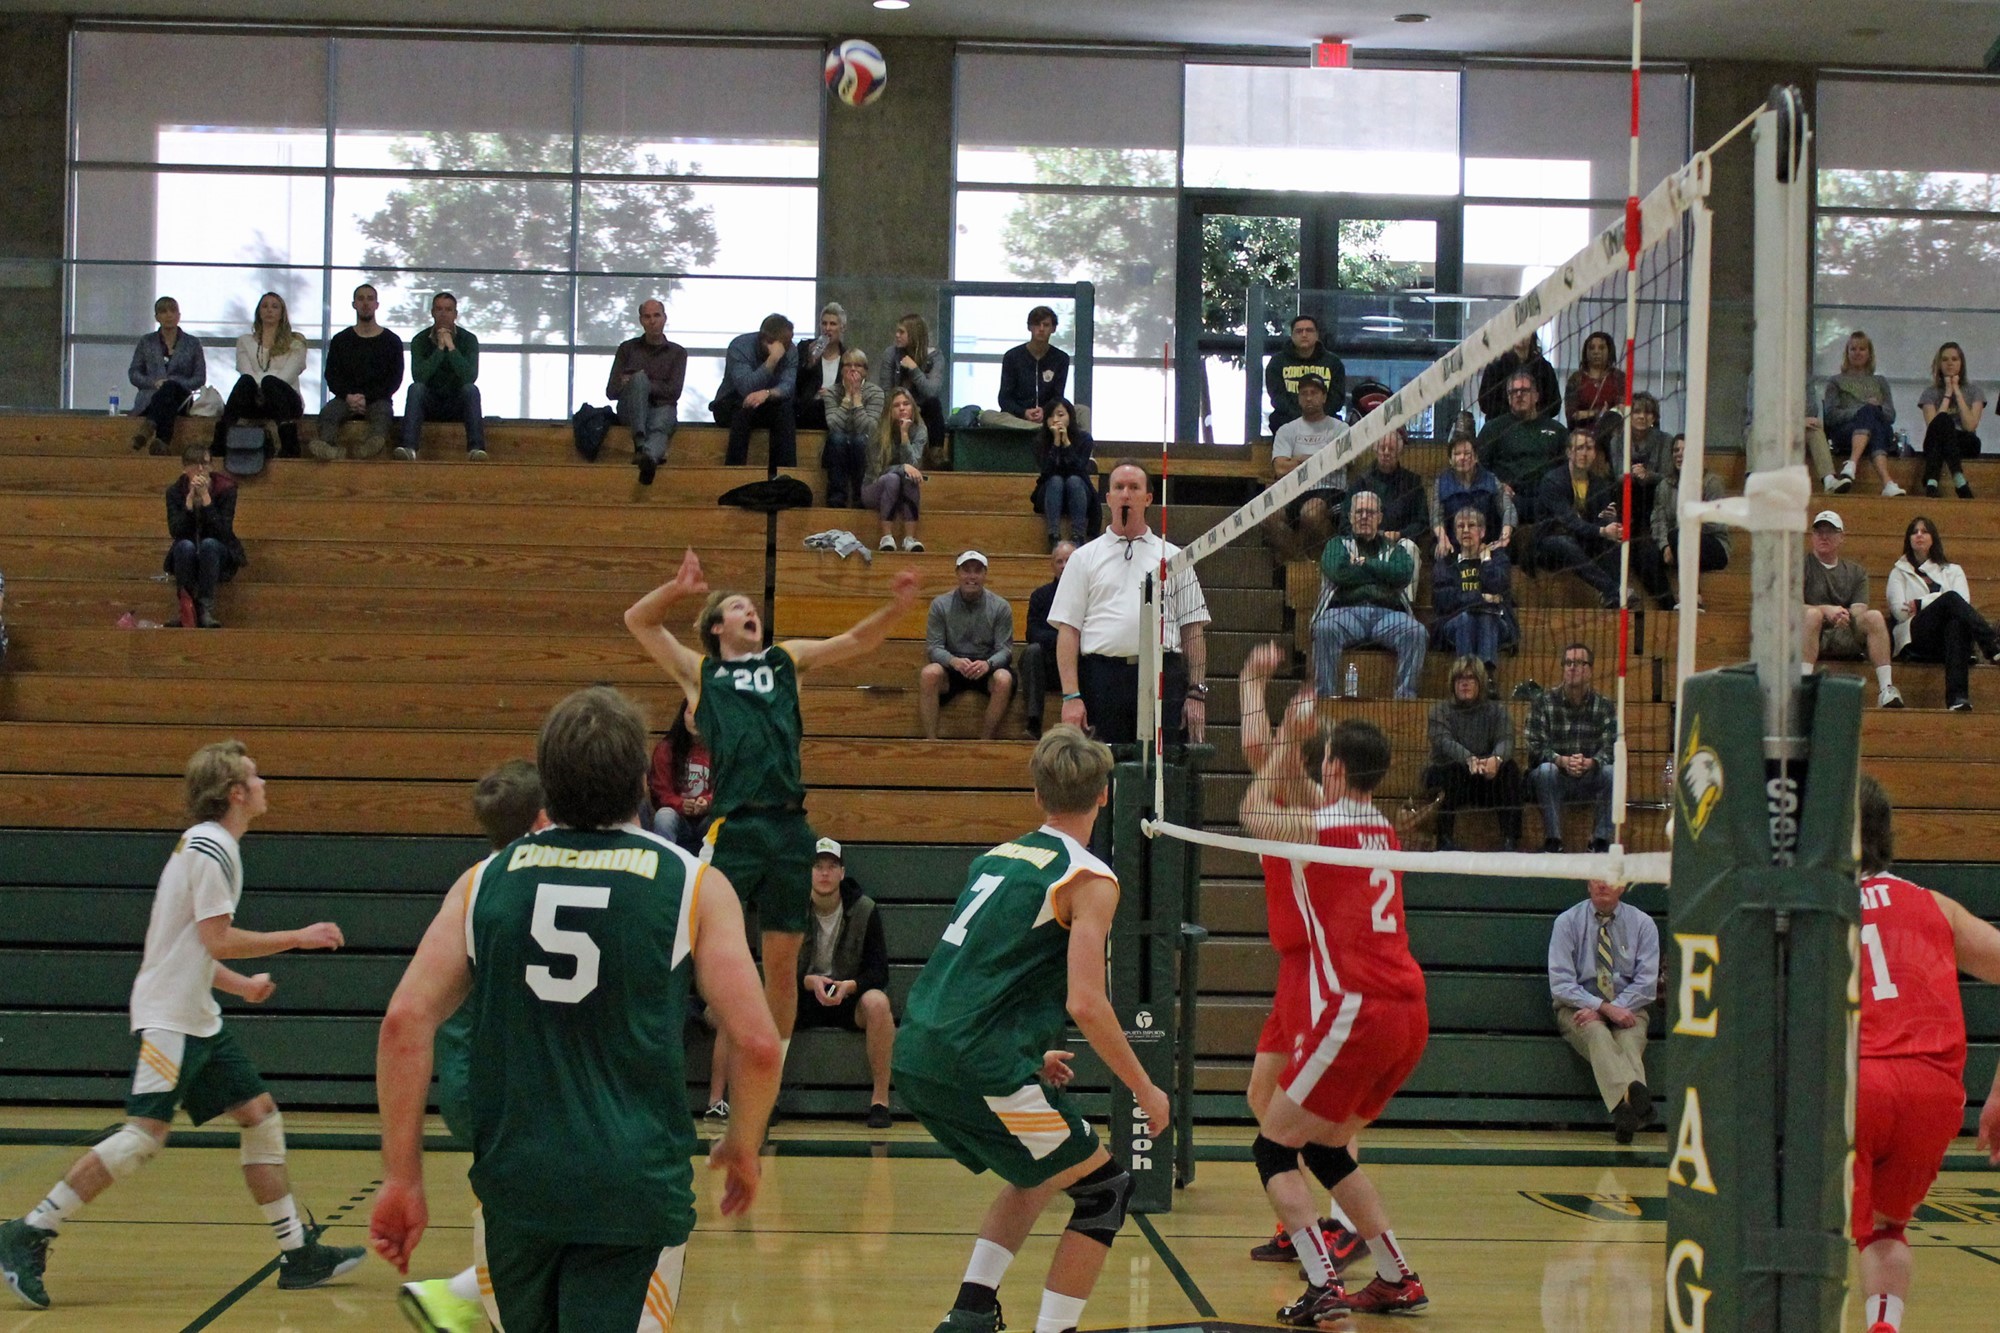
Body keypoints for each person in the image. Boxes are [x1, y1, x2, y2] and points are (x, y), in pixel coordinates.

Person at [368, 687, 783, 1333]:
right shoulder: (694, 883)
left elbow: (403, 1024)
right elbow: (757, 1043)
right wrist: (744, 1142)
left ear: (546, 784)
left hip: (518, 1185)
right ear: (642, 779)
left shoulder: (483, 880)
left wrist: (402, 1178)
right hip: (634, 1185)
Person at [0, 742, 359, 1312]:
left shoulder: (208, 847)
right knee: (143, 1137)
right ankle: (29, 1230)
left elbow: (189, 948)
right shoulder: (213, 848)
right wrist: (299, 936)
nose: (264, 782)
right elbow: (217, 938)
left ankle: (297, 1254)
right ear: (235, 792)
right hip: (170, 1020)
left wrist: (240, 987)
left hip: (197, 1017)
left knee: (260, 1117)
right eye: (254, 775)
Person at [893, 725, 1168, 1333]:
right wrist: (1146, 1089)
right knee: (1105, 1190)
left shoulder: (996, 859)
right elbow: (1087, 1003)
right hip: (976, 1061)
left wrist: (1029, 1050)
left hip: (917, 1049)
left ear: (1038, 794)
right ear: (1105, 795)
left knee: (1038, 1170)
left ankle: (969, 1315)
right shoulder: (1089, 878)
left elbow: (986, 971)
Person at [623, 549, 919, 1092]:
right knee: (699, 951)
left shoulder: (785, 660)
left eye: (751, 606)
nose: (749, 611)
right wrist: (678, 586)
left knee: (781, 968)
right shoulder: (701, 673)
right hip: (734, 828)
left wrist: (896, 609)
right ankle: (652, 1055)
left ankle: (767, 1082)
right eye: (738, 607)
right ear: (717, 626)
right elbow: (638, 620)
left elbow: (855, 642)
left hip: (789, 830)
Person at [1235, 696, 1431, 1323]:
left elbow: (1253, 811)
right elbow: (1300, 802)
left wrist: (1287, 745)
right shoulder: (1380, 828)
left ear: (1338, 771)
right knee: (1326, 1151)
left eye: (1325, 766)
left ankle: (1322, 1286)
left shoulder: (1326, 829)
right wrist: (1294, 743)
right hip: (1410, 1012)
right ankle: (1397, 1278)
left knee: (1273, 1150)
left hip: (1358, 1010)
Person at [395, 759, 547, 1333]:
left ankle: (459, 1294)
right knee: (531, 1213)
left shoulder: (478, 879)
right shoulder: (511, 888)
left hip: (470, 1078)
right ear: (541, 819)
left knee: (526, 1208)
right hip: (495, 1080)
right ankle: (460, 1298)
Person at [1852, 775, 2000, 1333]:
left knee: (1792, 1219)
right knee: (1886, 1228)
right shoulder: (1935, 904)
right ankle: (1883, 1325)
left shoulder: (1816, 908)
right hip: (1936, 1094)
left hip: (1857, 1083)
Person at [1049, 461, 1211, 746]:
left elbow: (1193, 630)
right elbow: (1068, 630)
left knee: (1163, 774)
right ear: (1108, 498)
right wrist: (1071, 696)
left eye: (1134, 487)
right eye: (1119, 488)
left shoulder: (1174, 558)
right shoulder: (1083, 558)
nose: (1126, 494)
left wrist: (1196, 692)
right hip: (1102, 680)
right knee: (1103, 774)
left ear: (1148, 498)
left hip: (1163, 678)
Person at [796, 837, 897, 1129]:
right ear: (809, 871)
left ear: (842, 872)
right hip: (803, 994)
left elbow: (880, 972)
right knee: (772, 1000)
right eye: (818, 866)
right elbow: (778, 971)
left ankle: (880, 1101)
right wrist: (810, 981)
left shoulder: (865, 909)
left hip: (848, 996)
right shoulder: (792, 907)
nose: (824, 873)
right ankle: (769, 1100)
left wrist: (849, 986)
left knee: (878, 1002)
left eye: (831, 866)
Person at [1548, 879, 1659, 1143]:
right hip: (1578, 1009)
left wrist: (1614, 1009)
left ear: (1622, 887)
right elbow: (1561, 985)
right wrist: (1601, 1008)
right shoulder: (1567, 922)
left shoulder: (1643, 924)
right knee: (1597, 1034)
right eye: (1596, 879)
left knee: (1629, 1040)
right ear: (1588, 885)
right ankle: (1635, 1101)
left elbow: (1646, 985)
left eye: (1610, 880)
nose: (1602, 885)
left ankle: (1624, 1112)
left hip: (1629, 1007)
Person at [1535, 427, 1673, 610]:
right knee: (1565, 543)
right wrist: (1601, 530)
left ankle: (1613, 599)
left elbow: (1602, 517)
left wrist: (1611, 526)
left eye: (1589, 448)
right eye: (1580, 448)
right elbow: (1568, 520)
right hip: (1549, 545)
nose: (1585, 453)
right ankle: (1614, 590)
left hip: (1583, 539)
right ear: (1569, 452)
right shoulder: (1552, 481)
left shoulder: (1599, 484)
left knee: (1613, 541)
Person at [1311, 490, 1425, 701]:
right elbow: (1338, 572)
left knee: (1416, 632)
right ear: (1351, 516)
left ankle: (1405, 700)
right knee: (1324, 628)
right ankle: (1325, 700)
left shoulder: (1396, 548)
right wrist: (1381, 573)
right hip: (1345, 613)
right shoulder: (1337, 545)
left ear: (1380, 518)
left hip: (1387, 615)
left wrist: (1365, 564)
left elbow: (1401, 575)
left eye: (1370, 512)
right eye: (1360, 512)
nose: (1364, 517)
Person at [1887, 515, 2000, 714]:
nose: (1919, 535)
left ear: (1933, 539)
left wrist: (1921, 603)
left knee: (1956, 624)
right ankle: (1992, 645)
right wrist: (1937, 602)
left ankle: (1957, 698)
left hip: (1947, 639)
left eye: (1924, 531)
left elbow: (1963, 604)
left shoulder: (1953, 570)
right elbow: (1900, 611)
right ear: (1908, 539)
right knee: (1949, 599)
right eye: (1914, 532)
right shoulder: (1899, 572)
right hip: (1915, 634)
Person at [1803, 510, 1904, 709]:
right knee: (1811, 614)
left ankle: (1886, 688)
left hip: (1844, 632)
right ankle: (1802, 685)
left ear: (1842, 537)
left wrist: (1843, 615)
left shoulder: (1857, 572)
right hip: (1810, 633)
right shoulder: (1799, 566)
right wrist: (1826, 610)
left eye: (1830, 532)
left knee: (1874, 616)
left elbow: (1859, 609)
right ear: (1812, 536)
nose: (1824, 536)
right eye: (1819, 531)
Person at [1422, 657, 1524, 852]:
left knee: (1510, 770)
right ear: (1453, 683)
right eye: (1459, 678)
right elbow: (1444, 742)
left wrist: (1496, 759)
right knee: (1445, 772)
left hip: (1487, 777)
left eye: (1471, 678)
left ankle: (1510, 840)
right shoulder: (1440, 711)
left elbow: (1507, 739)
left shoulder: (1496, 711)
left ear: (1481, 683)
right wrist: (1469, 759)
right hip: (1454, 777)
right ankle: (1444, 839)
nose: (1465, 682)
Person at [1525, 642, 1617, 853]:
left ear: (1590, 670)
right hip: (1557, 777)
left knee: (1613, 773)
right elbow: (1534, 745)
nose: (1572, 667)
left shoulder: (1604, 706)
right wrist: (1561, 760)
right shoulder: (1543, 702)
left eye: (1578, 663)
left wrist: (1591, 762)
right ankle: (1553, 840)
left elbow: (1611, 746)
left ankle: (1600, 841)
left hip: (1589, 776)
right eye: (1568, 663)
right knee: (1545, 771)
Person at [922, 551, 1015, 741]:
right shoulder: (940, 605)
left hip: (986, 666)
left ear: (985, 575)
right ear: (957, 573)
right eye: (966, 571)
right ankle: (931, 740)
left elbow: (1005, 649)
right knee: (929, 674)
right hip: (952, 666)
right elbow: (934, 647)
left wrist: (988, 664)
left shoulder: (1000, 606)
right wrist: (953, 661)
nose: (971, 577)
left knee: (1004, 679)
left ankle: (985, 741)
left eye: (977, 571)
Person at [1261, 373, 1348, 560]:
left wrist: (1300, 460)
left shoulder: (1340, 429)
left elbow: (1341, 461)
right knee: (1269, 516)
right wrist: (1320, 458)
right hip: (1294, 491)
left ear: (1324, 397)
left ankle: (1329, 560)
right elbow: (1280, 468)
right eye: (1304, 393)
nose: (1309, 397)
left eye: (1314, 392)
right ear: (1299, 398)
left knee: (1311, 511)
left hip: (1330, 490)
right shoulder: (1287, 430)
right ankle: (1302, 564)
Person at [312, 283, 403, 461]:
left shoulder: (391, 341)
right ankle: (327, 447)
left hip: (378, 399)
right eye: (361, 299)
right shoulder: (341, 340)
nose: (365, 303)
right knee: (329, 412)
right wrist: (348, 396)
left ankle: (371, 447)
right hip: (344, 398)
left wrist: (367, 397)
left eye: (370, 299)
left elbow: (394, 379)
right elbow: (331, 375)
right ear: (354, 304)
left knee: (383, 414)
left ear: (377, 304)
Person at [213, 291, 307, 460]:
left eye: (274, 306)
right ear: (258, 312)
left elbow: (286, 376)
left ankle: (290, 445)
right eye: (265, 306)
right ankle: (219, 442)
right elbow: (245, 371)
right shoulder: (244, 341)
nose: (269, 310)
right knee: (246, 382)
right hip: (254, 399)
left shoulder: (296, 344)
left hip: (285, 401)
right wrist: (261, 382)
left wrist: (264, 380)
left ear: (282, 313)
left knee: (270, 382)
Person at [165, 442, 246, 630]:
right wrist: (188, 504)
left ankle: (205, 608)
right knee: (185, 546)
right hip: (188, 554)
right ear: (185, 468)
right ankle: (186, 607)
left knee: (210, 544)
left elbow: (224, 532)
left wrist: (207, 502)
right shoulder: (175, 491)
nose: (201, 469)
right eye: (195, 464)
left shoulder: (226, 489)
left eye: (206, 464)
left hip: (219, 553)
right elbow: (175, 531)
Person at [606, 298, 687, 485]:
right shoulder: (627, 348)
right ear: (641, 320)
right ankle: (640, 443)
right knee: (640, 380)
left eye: (656, 315)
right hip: (631, 410)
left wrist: (641, 382)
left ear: (664, 318)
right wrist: (637, 384)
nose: (652, 321)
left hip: (660, 408)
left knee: (660, 426)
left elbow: (674, 392)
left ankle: (648, 459)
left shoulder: (678, 353)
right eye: (647, 316)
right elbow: (611, 391)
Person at [397, 292, 485, 462]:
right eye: (439, 309)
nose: (443, 314)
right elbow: (419, 377)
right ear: (432, 312)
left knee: (471, 390)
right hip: (430, 402)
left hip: (457, 403)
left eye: (448, 309)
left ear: (455, 314)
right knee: (415, 389)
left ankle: (476, 449)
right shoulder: (420, 340)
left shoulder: (469, 340)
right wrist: (439, 349)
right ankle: (408, 448)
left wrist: (451, 348)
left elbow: (469, 376)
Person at [1477, 369, 1569, 527]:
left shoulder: (1557, 430)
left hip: (1547, 498)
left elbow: (1567, 468)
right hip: (1509, 498)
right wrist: (1498, 485)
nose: (1519, 395)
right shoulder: (1493, 429)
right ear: (1508, 398)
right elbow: (1479, 468)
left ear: (1536, 396)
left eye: (1525, 390)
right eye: (1514, 391)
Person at [1432, 509, 1516, 677]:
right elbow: (1443, 600)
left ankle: (1481, 678)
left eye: (1471, 526)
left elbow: (1498, 585)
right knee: (1467, 618)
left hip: (1496, 624)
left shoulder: (1498, 559)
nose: (1465, 530)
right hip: (1455, 624)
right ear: (1455, 533)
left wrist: (1486, 560)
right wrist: (1480, 598)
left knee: (1486, 615)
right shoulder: (1446, 564)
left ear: (1482, 531)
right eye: (1460, 526)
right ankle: (1470, 676)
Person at [1824, 329, 1905, 497]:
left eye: (1862, 349)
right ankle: (1887, 482)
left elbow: (1891, 415)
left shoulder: (1880, 381)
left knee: (1873, 419)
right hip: (1846, 431)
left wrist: (1877, 408)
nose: (1857, 353)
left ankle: (1851, 466)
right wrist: (1860, 411)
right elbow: (1830, 415)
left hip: (1878, 429)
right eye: (1853, 349)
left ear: (1869, 353)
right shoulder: (1835, 381)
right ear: (1847, 353)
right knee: (1868, 413)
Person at [128, 296, 206, 455]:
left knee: (170, 387)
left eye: (173, 311)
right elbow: (134, 373)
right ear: (157, 317)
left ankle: (149, 427)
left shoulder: (192, 343)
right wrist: (154, 383)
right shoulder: (146, 341)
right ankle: (162, 441)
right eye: (163, 311)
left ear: (179, 315)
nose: (169, 315)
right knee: (166, 398)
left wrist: (174, 383)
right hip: (150, 399)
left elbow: (199, 378)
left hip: (181, 399)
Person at [717, 313, 798, 468]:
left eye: (788, 344)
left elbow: (788, 386)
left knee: (785, 411)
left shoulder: (791, 350)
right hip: (732, 401)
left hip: (768, 402)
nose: (786, 349)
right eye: (783, 345)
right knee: (744, 409)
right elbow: (746, 387)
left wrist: (767, 394)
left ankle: (782, 476)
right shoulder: (740, 347)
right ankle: (735, 472)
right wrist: (772, 361)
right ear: (766, 341)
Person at [1654, 433, 1732, 579]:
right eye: (1676, 450)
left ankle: (1694, 594)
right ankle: (1669, 601)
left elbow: (1716, 522)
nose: (1679, 454)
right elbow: (1659, 520)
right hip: (1677, 544)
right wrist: (1665, 546)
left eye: (1685, 450)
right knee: (1652, 553)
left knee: (1679, 536)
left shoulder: (1712, 482)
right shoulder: (1664, 486)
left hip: (1711, 544)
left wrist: (1684, 528)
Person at [1431, 424, 1516, 556]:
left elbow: (1508, 509)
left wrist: (1504, 537)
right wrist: (1443, 539)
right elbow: (1436, 516)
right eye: (1457, 454)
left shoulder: (1491, 479)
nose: (1462, 458)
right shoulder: (1441, 482)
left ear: (1476, 457)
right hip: (1453, 545)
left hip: (1487, 544)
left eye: (1467, 453)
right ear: (1450, 460)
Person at [862, 389, 928, 552]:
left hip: (904, 489)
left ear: (913, 408)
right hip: (874, 486)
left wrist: (904, 434)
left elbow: (913, 465)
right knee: (893, 478)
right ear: (889, 411)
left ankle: (910, 539)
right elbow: (876, 469)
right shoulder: (877, 429)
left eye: (906, 404)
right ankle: (886, 537)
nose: (902, 408)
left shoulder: (919, 430)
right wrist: (902, 468)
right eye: (896, 405)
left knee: (908, 476)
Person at [1918, 340, 1984, 499]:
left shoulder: (1974, 391)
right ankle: (1959, 479)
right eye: (1945, 359)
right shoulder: (1930, 393)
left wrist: (1957, 391)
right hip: (1938, 441)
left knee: (1944, 434)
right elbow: (1933, 427)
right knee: (1943, 421)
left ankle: (1931, 481)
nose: (1950, 363)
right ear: (1939, 364)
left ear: (1962, 363)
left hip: (1965, 441)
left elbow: (1970, 426)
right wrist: (1947, 394)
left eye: (1954, 359)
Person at [1019, 541, 1073, 739]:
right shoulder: (1040, 596)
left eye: (1069, 560)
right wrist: (1066, 638)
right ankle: (1033, 722)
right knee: (1032, 652)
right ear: (1052, 565)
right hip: (1049, 667)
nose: (1064, 565)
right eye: (1059, 561)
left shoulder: (1091, 594)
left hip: (1079, 665)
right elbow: (1032, 633)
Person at [1349, 426, 1431, 551]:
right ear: (1375, 450)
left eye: (1391, 449)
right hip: (1364, 542)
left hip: (1400, 543)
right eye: (1382, 448)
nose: (1386, 452)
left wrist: (1400, 534)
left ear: (1399, 452)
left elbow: (1422, 522)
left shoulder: (1413, 482)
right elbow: (1345, 521)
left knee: (1410, 548)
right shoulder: (1361, 482)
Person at [819, 349, 882, 507]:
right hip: (836, 445)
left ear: (865, 371)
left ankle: (861, 495)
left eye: (858, 366)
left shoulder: (876, 393)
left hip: (864, 445)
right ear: (841, 370)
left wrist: (858, 401)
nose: (853, 369)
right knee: (837, 438)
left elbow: (869, 428)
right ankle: (836, 496)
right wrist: (847, 397)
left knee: (860, 440)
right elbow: (834, 426)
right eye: (848, 365)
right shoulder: (832, 392)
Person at [647, 702, 714, 852]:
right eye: (691, 713)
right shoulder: (666, 749)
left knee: (721, 820)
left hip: (707, 818)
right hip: (678, 818)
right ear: (682, 716)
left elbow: (727, 787)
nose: (696, 719)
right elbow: (660, 792)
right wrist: (681, 804)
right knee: (664, 817)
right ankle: (664, 866)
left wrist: (708, 802)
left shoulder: (720, 749)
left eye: (701, 713)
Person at [1264, 314, 1346, 435]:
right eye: (1299, 331)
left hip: (1325, 421)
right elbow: (1278, 398)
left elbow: (1337, 398)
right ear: (1292, 336)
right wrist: (1302, 419)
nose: (1304, 334)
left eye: (1309, 330)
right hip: (1288, 422)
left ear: (1317, 335)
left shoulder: (1333, 362)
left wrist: (1317, 417)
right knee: (1277, 420)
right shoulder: (1277, 362)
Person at [992, 305, 1070, 428]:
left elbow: (1058, 396)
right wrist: (1024, 413)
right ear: (1029, 327)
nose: (1041, 329)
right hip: (1017, 418)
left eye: (1046, 325)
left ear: (1053, 329)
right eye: (1036, 324)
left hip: (1049, 416)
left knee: (1082, 410)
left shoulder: (1061, 358)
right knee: (988, 415)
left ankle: (1083, 445)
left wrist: (1045, 411)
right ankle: (1034, 427)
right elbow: (1004, 398)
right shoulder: (1012, 356)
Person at [1031, 399, 1095, 549]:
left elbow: (1080, 469)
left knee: (1073, 480)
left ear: (1070, 417)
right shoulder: (1039, 441)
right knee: (1055, 480)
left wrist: (1066, 442)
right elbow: (1046, 472)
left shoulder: (1084, 439)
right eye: (1051, 416)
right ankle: (1053, 535)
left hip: (1079, 491)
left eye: (1060, 415)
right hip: (1050, 493)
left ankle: (1077, 536)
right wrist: (1056, 443)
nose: (1055, 420)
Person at [880, 312, 947, 450]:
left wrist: (914, 369)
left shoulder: (935, 357)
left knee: (934, 404)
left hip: (923, 408)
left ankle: (936, 452)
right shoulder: (891, 354)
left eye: (901, 332)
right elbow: (886, 390)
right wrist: (903, 407)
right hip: (897, 407)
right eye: (897, 331)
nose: (896, 335)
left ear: (913, 334)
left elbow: (932, 391)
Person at [1476, 332, 1559, 422]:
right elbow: (1484, 403)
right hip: (1501, 427)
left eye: (1525, 331)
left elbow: (1555, 404)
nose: (1521, 335)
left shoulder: (1544, 367)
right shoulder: (1495, 366)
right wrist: (1513, 413)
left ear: (1532, 335)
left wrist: (1532, 414)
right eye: (1517, 331)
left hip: (1536, 427)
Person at [793, 302, 848, 431]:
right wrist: (809, 364)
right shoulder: (805, 349)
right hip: (808, 407)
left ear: (842, 328)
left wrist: (832, 394)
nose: (827, 328)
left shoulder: (847, 357)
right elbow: (795, 384)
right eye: (824, 323)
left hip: (834, 409)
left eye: (833, 324)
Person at [1564, 332, 1626, 435]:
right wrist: (1598, 413)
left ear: (1609, 351)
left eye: (1601, 348)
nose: (1596, 352)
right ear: (1586, 352)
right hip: (1582, 436)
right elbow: (1572, 416)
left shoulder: (1619, 378)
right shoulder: (1576, 379)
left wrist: (1587, 414)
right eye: (1591, 348)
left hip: (1613, 436)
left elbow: (1623, 410)